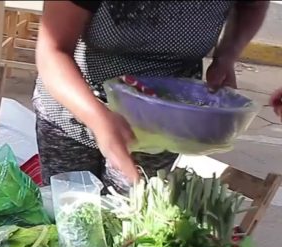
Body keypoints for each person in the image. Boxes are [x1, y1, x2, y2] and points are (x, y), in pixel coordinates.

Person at [34, 0, 270, 192]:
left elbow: (253, 5)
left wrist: (226, 56)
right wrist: (98, 118)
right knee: (72, 221)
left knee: (131, 221)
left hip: (165, 117)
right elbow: (52, 51)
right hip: (75, 104)